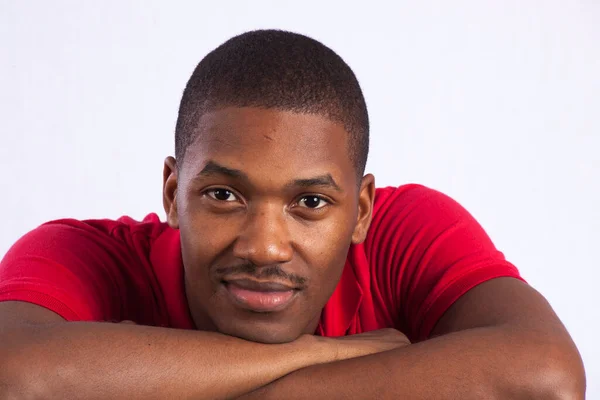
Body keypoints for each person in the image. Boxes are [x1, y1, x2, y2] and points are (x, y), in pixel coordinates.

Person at [0, 29, 585, 399]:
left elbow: (548, 379)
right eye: (224, 195)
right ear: (172, 191)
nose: (265, 247)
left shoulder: (405, 232)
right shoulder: (80, 254)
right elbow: (12, 373)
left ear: (361, 211)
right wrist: (329, 354)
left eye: (310, 203)